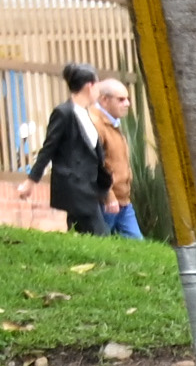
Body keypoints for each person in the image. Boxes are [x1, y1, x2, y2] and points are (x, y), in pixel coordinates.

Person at [27, 63, 115, 235]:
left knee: (80, 232)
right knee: (100, 233)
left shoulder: (85, 113)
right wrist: (31, 181)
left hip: (90, 186)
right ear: (90, 86)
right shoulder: (64, 113)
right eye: (97, 85)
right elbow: (49, 148)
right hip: (75, 186)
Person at [84, 76, 142, 237]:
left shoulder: (112, 123)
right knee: (101, 246)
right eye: (121, 99)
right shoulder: (94, 124)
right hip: (105, 203)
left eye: (128, 99)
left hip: (123, 202)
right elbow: (95, 165)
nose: (127, 104)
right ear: (104, 100)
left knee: (137, 248)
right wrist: (109, 197)